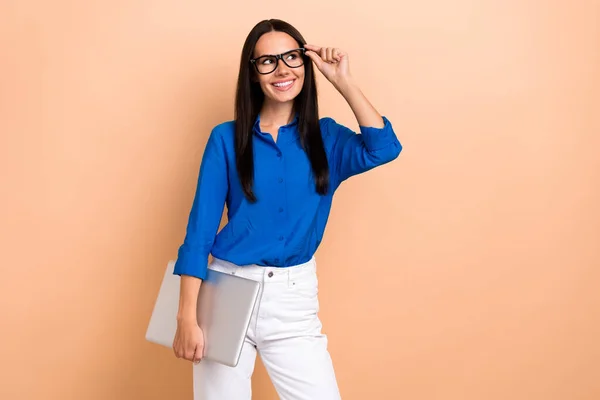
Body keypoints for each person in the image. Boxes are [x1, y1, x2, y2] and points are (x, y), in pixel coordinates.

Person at [171, 18, 402, 400]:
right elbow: (199, 233)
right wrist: (186, 315)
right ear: (253, 73)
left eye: (292, 57)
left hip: (293, 299)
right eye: (268, 61)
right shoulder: (225, 139)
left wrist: (342, 81)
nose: (282, 69)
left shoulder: (327, 137)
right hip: (225, 290)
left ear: (305, 63)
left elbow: (384, 148)